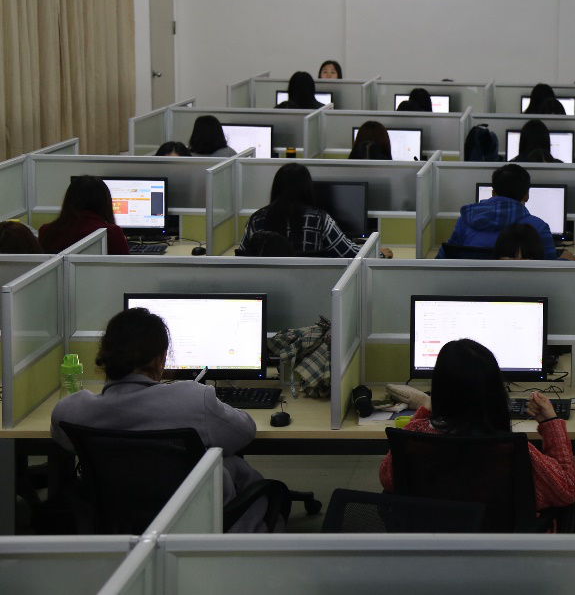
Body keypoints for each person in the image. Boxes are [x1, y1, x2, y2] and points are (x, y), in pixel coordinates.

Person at [50, 308, 280, 532]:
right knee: (232, 464)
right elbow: (244, 432)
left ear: (104, 355)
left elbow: (64, 440)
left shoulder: (70, 412)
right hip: (193, 517)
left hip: (120, 523)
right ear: (161, 359)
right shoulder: (192, 399)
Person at [378, 339, 575, 517]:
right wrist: (551, 424)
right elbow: (566, 491)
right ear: (497, 393)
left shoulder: (413, 439)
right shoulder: (513, 450)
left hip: (432, 543)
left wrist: (428, 409)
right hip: (503, 546)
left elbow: (388, 480)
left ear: (438, 387)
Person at [440, 164, 573, 260]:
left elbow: (441, 260)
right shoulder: (538, 227)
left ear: (493, 193)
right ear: (527, 195)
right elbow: (550, 272)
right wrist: (565, 260)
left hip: (470, 287)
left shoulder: (466, 221)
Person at [241, 163, 366, 258]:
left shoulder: (256, 220)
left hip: (266, 284)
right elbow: (352, 253)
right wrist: (373, 249)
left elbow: (241, 257)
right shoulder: (319, 220)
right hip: (308, 283)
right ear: (307, 188)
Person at [38, 175, 129, 255]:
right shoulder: (111, 232)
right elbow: (126, 266)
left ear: (69, 200)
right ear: (104, 202)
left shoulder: (46, 231)